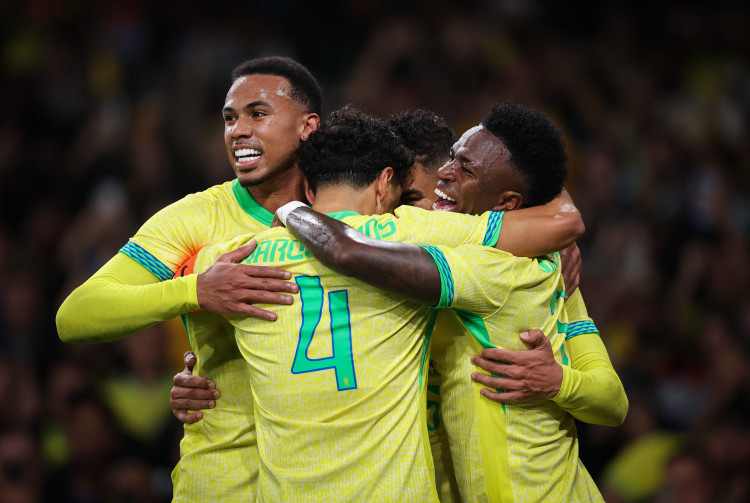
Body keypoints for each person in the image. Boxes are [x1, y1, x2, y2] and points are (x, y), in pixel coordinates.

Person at [188, 105, 581, 501]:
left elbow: (174, 299)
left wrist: (198, 369)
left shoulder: (235, 256)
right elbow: (565, 222)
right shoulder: (414, 233)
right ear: (384, 184)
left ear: (308, 188)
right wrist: (554, 241)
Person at [280, 103, 627, 502]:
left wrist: (557, 381)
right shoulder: (502, 251)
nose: (412, 209)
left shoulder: (501, 266)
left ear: (507, 203)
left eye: (466, 170)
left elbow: (613, 401)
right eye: (403, 199)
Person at [56, 56, 323, 502]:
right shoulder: (194, 217)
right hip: (223, 481)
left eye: (258, 114)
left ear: (307, 126)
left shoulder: (353, 205)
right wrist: (196, 291)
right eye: (229, 119)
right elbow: (76, 314)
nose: (238, 131)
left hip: (328, 475)